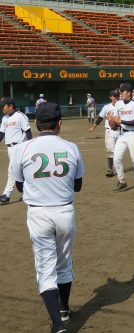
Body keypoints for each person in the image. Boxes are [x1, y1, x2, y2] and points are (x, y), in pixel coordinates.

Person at [9, 102, 84, 333]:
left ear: (35, 123)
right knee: (63, 263)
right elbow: (78, 186)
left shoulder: (22, 148)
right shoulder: (71, 147)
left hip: (39, 212)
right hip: (64, 211)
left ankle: (58, 325)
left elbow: (20, 186)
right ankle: (64, 309)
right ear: (60, 123)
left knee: (45, 267)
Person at [107, 83, 134, 192]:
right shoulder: (118, 104)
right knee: (116, 159)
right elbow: (117, 121)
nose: (120, 93)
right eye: (120, 91)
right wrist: (112, 123)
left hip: (133, 134)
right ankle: (122, 181)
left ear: (129, 93)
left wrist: (120, 121)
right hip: (122, 134)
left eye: (122, 91)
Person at [0, 97, 32, 204]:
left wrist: (31, 146)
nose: (2, 108)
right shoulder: (4, 118)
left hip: (19, 147)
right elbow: (1, 134)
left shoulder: (20, 116)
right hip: (9, 148)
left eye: (3, 105)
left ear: (10, 106)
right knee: (20, 172)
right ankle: (26, 193)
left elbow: (28, 132)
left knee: (12, 169)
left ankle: (6, 195)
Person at [88, 89, 121, 177]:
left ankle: (118, 168)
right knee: (110, 151)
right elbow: (100, 118)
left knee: (118, 152)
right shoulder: (107, 107)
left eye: (117, 95)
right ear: (111, 97)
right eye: (114, 96)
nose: (116, 97)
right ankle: (110, 169)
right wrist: (93, 128)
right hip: (110, 132)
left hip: (121, 132)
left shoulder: (122, 106)